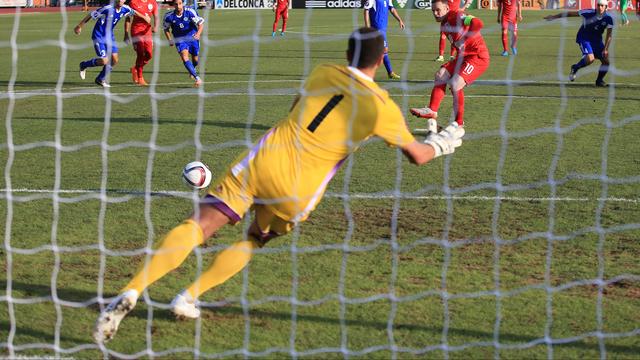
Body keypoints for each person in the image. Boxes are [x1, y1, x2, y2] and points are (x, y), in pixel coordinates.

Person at [91, 27, 466, 344]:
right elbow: (415, 155)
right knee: (254, 238)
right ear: (381, 56)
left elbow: (295, 107)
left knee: (199, 226)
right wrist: (441, 144)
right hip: (299, 187)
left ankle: (132, 290)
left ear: (347, 52)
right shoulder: (381, 106)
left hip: (265, 160)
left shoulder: (323, 72)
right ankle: (188, 297)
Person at [410, 0, 490, 131]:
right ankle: (432, 110)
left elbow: (478, 23)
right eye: (433, 11)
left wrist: (466, 40)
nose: (435, 14)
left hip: (478, 57)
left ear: (447, 8)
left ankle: (459, 123)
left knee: (455, 84)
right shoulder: (444, 24)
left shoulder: (457, 15)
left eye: (438, 10)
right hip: (463, 58)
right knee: (440, 75)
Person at [74, 0, 151, 88]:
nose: (121, 1)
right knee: (104, 61)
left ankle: (100, 79)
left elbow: (134, 12)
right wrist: (79, 26)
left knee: (114, 60)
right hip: (98, 36)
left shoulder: (125, 8)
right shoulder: (107, 9)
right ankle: (84, 65)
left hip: (110, 36)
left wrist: (145, 18)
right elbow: (91, 15)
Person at [544, 0, 613, 87]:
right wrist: (554, 17)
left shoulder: (609, 18)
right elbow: (570, 14)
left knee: (606, 62)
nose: (600, 7)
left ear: (606, 7)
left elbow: (609, 35)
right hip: (584, 38)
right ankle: (575, 67)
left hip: (597, 42)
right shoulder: (588, 12)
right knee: (590, 59)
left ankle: (599, 81)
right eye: (598, 5)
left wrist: (605, 49)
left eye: (602, 6)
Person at [163, 0, 204, 88]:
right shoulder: (168, 16)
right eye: (176, 4)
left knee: (195, 60)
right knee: (184, 57)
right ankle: (197, 78)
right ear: (173, 5)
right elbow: (166, 29)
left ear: (183, 4)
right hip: (180, 40)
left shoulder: (190, 12)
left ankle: (192, 69)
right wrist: (169, 39)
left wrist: (198, 34)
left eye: (180, 3)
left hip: (192, 38)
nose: (178, 6)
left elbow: (200, 24)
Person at [363, 0, 405, 79]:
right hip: (377, 28)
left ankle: (388, 72)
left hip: (383, 28)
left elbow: (392, 9)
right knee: (384, 49)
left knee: (379, 50)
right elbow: (366, 11)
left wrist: (399, 20)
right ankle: (389, 72)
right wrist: (367, 27)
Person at [124, 0, 158, 86]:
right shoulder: (133, 2)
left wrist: (156, 26)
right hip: (136, 31)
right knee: (140, 52)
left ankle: (135, 68)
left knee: (149, 54)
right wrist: (126, 34)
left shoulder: (152, 2)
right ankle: (140, 77)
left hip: (147, 31)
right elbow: (128, 18)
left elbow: (156, 16)